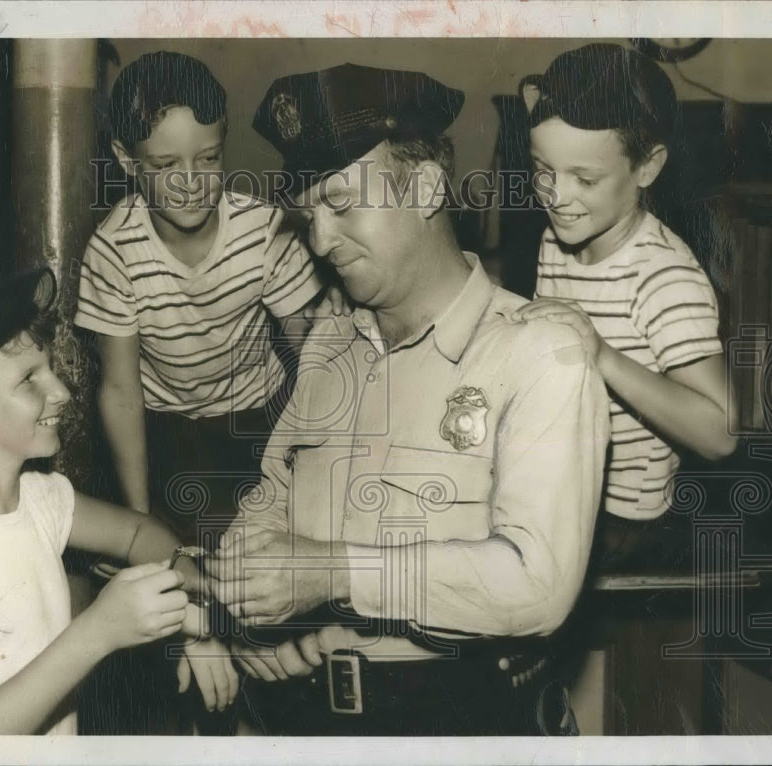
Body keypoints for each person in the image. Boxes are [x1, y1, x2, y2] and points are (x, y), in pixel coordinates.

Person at [204, 63, 611, 736]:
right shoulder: (330, 344)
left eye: (340, 205)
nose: (321, 241)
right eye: (309, 215)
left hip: (458, 721)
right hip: (305, 719)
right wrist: (241, 610)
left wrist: (329, 571)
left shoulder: (537, 354)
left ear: (424, 188)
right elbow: (272, 499)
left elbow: (537, 584)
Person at [0, 269, 237, 735]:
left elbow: (142, 533)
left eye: (51, 371)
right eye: (28, 380)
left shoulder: (40, 498)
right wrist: (97, 631)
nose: (60, 391)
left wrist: (187, 615)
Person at [74, 51, 326, 550]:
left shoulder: (263, 229)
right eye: (166, 165)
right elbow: (122, 391)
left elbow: (312, 356)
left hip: (262, 414)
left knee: (272, 541)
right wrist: (138, 519)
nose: (191, 183)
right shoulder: (113, 249)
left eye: (208, 159)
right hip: (168, 431)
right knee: (180, 551)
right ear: (127, 161)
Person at [512, 44, 738, 569]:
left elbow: (721, 435)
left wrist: (602, 354)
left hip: (624, 521)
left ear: (647, 167)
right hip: (564, 480)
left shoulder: (663, 279)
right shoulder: (559, 239)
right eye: (543, 169)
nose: (557, 196)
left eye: (585, 180)